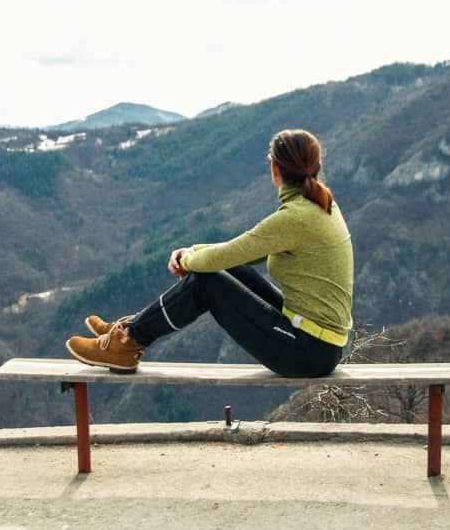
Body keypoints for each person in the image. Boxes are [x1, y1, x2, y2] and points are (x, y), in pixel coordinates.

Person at [65, 129, 354, 377]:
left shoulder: (296, 217)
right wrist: (194, 252)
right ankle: (129, 329)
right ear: (315, 167)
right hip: (319, 342)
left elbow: (230, 252)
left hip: (308, 351)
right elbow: (240, 252)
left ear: (274, 170)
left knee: (207, 281)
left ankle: (127, 345)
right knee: (229, 269)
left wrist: (188, 259)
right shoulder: (319, 206)